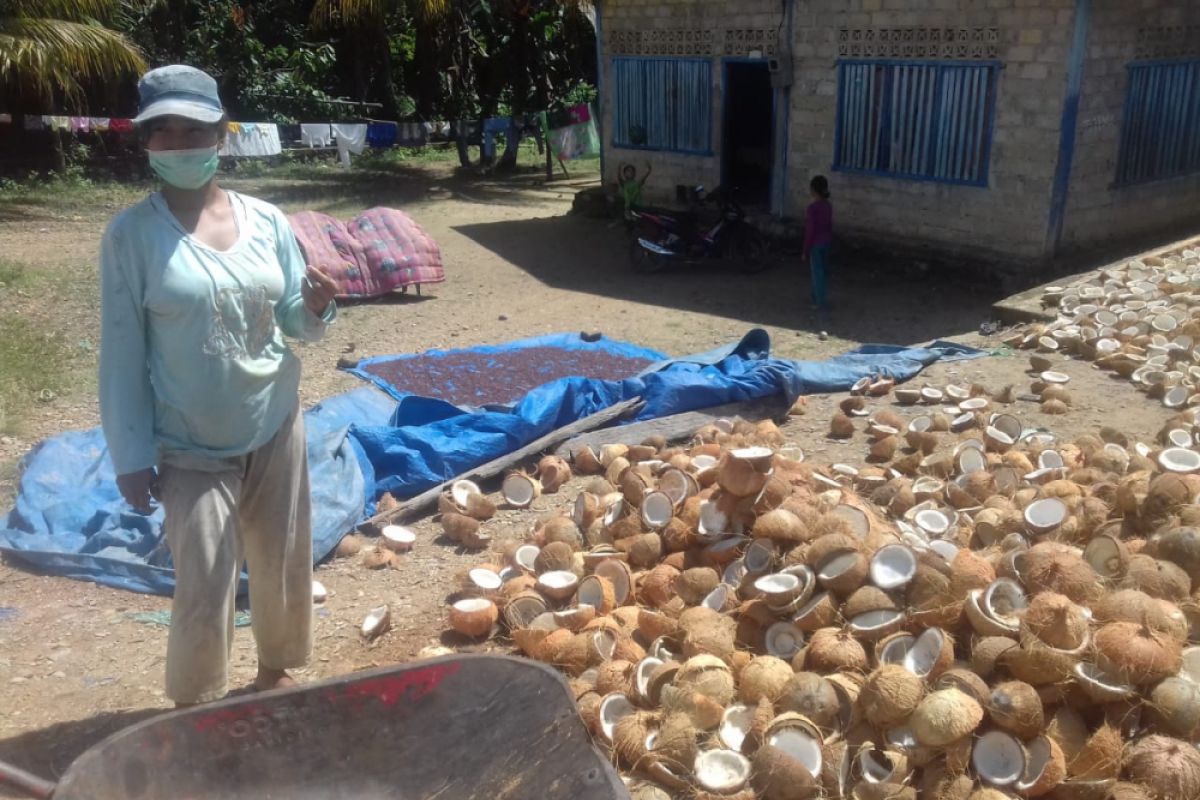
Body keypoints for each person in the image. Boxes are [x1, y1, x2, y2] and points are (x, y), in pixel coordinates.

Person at [98, 65, 339, 707]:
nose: (180, 142)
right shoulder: (131, 237)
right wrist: (130, 455)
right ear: (145, 141)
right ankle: (197, 711)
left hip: (274, 420)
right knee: (203, 581)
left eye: (194, 128)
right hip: (188, 442)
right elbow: (121, 354)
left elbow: (291, 319)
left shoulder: (266, 220)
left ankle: (277, 673)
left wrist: (314, 307)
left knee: (283, 559)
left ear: (221, 134)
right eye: (164, 130)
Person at [802, 175, 834, 312]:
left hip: (816, 244)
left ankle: (819, 302)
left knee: (817, 274)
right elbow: (829, 225)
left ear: (813, 190)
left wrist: (805, 250)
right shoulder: (828, 206)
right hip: (826, 242)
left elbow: (810, 230)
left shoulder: (812, 208)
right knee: (823, 273)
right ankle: (817, 298)